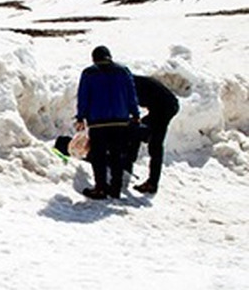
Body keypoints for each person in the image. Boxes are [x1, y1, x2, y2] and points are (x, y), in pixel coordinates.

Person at [74, 46, 139, 200]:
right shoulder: (123, 71)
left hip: (98, 122)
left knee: (99, 156)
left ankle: (100, 188)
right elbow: (131, 94)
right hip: (120, 121)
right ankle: (115, 189)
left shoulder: (89, 73)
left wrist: (80, 117)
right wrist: (135, 114)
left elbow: (84, 96)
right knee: (117, 155)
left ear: (94, 58)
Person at [131, 74, 180, 194]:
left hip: (164, 108)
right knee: (138, 130)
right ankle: (130, 160)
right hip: (163, 106)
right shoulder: (133, 80)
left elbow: (131, 106)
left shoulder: (130, 85)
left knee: (155, 145)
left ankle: (152, 183)